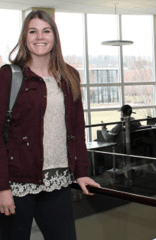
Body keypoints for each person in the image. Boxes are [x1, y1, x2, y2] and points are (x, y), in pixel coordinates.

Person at [0, 10, 100, 240]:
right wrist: (2, 188)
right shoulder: (8, 76)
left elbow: (76, 128)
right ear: (24, 37)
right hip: (16, 186)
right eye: (32, 31)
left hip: (58, 184)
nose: (39, 37)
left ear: (54, 36)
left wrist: (82, 173)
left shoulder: (69, 76)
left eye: (46, 31)